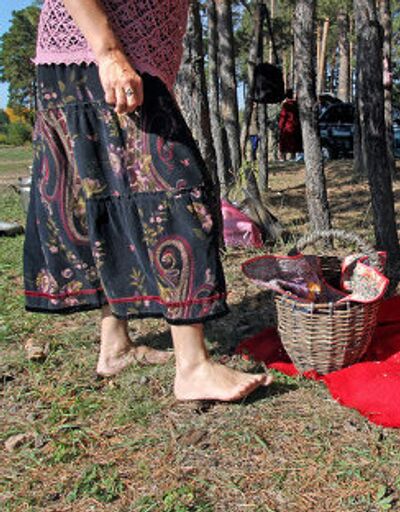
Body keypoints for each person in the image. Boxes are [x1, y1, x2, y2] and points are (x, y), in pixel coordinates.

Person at [27, 0, 271, 401]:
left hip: (92, 55)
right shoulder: (109, 53)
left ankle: (114, 345)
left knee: (104, 198)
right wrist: (108, 52)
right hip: (101, 51)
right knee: (174, 193)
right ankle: (193, 367)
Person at [278, 88, 302, 161]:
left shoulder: (286, 105)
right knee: (294, 143)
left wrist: (280, 126)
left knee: (284, 143)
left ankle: (283, 158)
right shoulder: (296, 104)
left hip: (287, 127)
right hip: (295, 127)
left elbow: (283, 116)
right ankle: (293, 157)